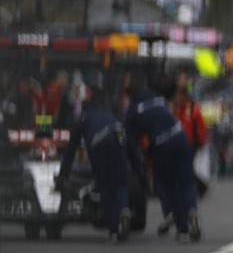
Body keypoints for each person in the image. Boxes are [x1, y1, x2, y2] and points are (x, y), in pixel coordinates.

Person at [56, 74, 144, 243]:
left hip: (99, 141)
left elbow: (71, 149)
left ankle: (114, 228)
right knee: (120, 182)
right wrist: (138, 167)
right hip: (118, 135)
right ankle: (124, 210)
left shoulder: (83, 118)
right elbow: (130, 144)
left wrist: (63, 175)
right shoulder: (109, 114)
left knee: (105, 185)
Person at [126, 73, 200, 243]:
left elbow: (131, 141)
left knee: (172, 185)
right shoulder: (157, 97)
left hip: (163, 142)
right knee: (187, 181)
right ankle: (192, 209)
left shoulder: (133, 109)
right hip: (180, 135)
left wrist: (138, 165)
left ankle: (183, 228)